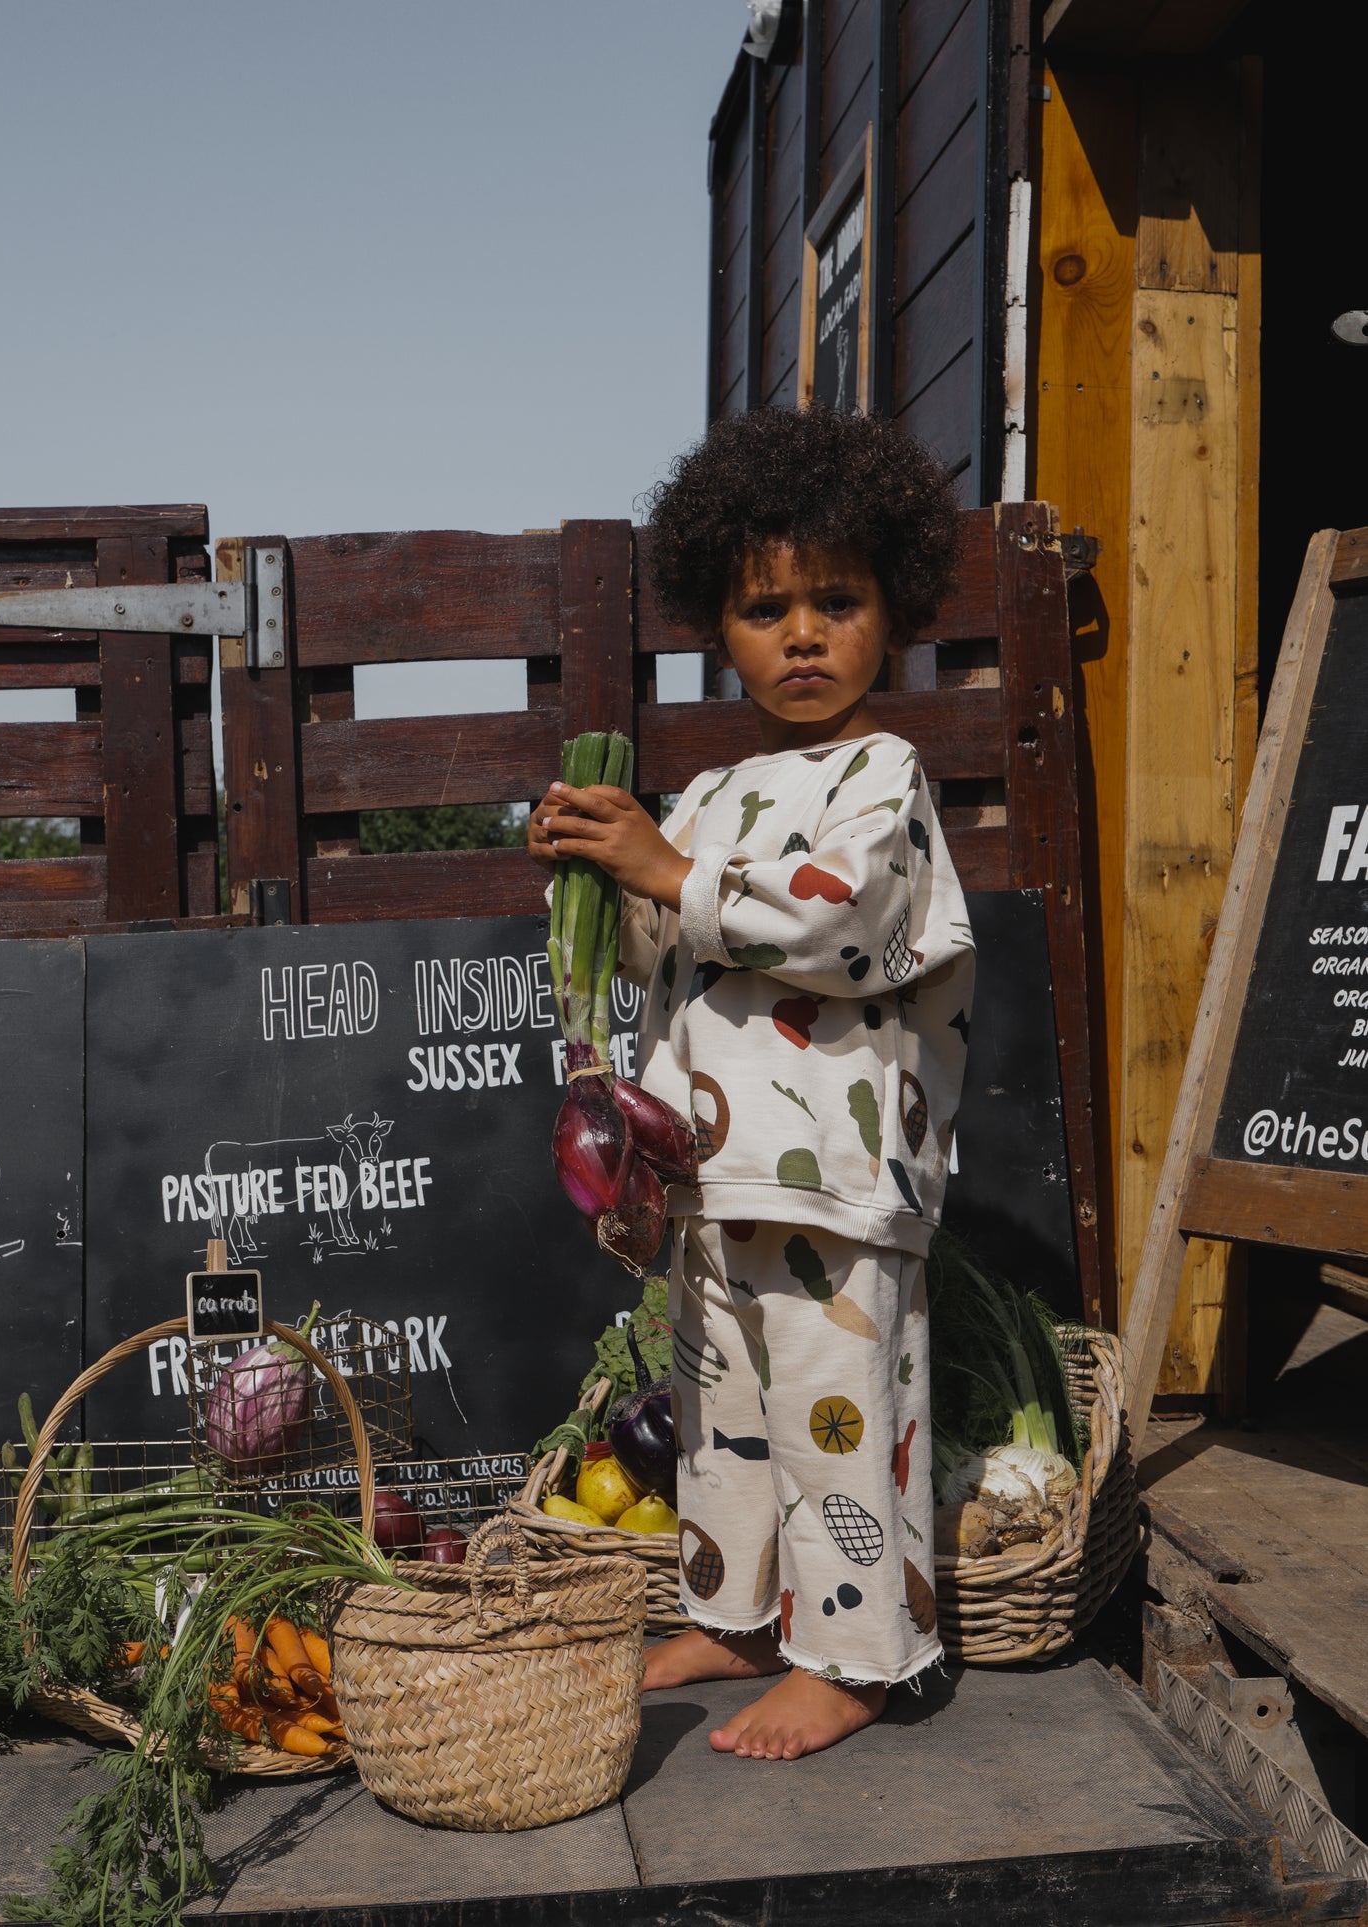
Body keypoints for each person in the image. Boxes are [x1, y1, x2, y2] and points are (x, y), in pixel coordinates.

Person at [528, 407, 973, 1761]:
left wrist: (667, 873)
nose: (799, 634)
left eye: (834, 602)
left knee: (838, 1419)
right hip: (713, 1177)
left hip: (835, 1182)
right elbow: (683, 965)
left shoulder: (880, 775)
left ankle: (854, 1655)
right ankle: (734, 1614)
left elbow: (839, 927)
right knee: (719, 1420)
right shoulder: (713, 791)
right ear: (715, 627)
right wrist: (600, 881)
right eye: (762, 606)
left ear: (890, 616)